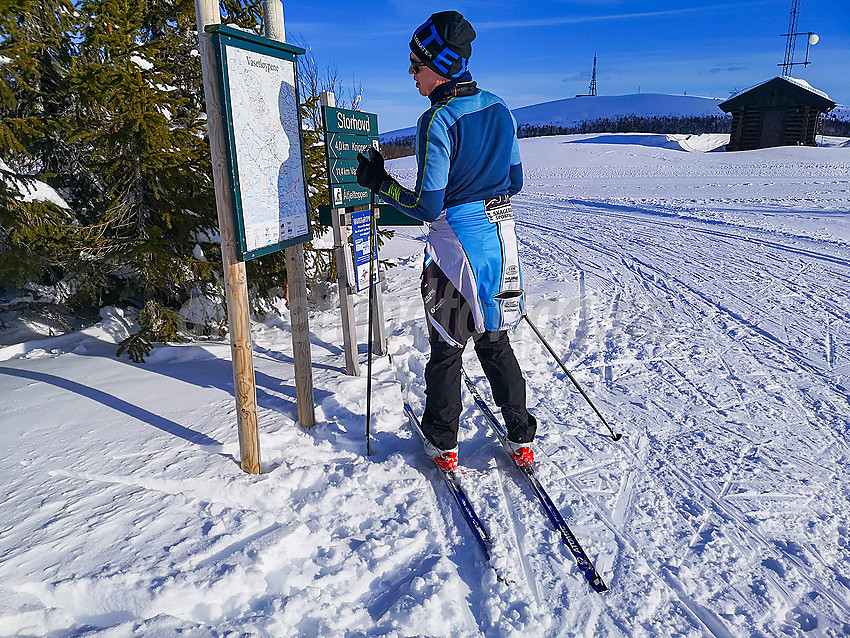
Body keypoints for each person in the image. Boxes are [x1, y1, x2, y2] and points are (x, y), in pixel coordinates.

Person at [356, 10, 535, 471]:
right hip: (499, 240)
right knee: (494, 337)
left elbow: (427, 206)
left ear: (440, 64)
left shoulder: (436, 120)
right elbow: (515, 180)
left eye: (416, 65)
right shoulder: (500, 108)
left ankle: (442, 440)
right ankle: (520, 433)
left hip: (452, 247)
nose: (411, 74)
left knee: (447, 343)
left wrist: (380, 182)